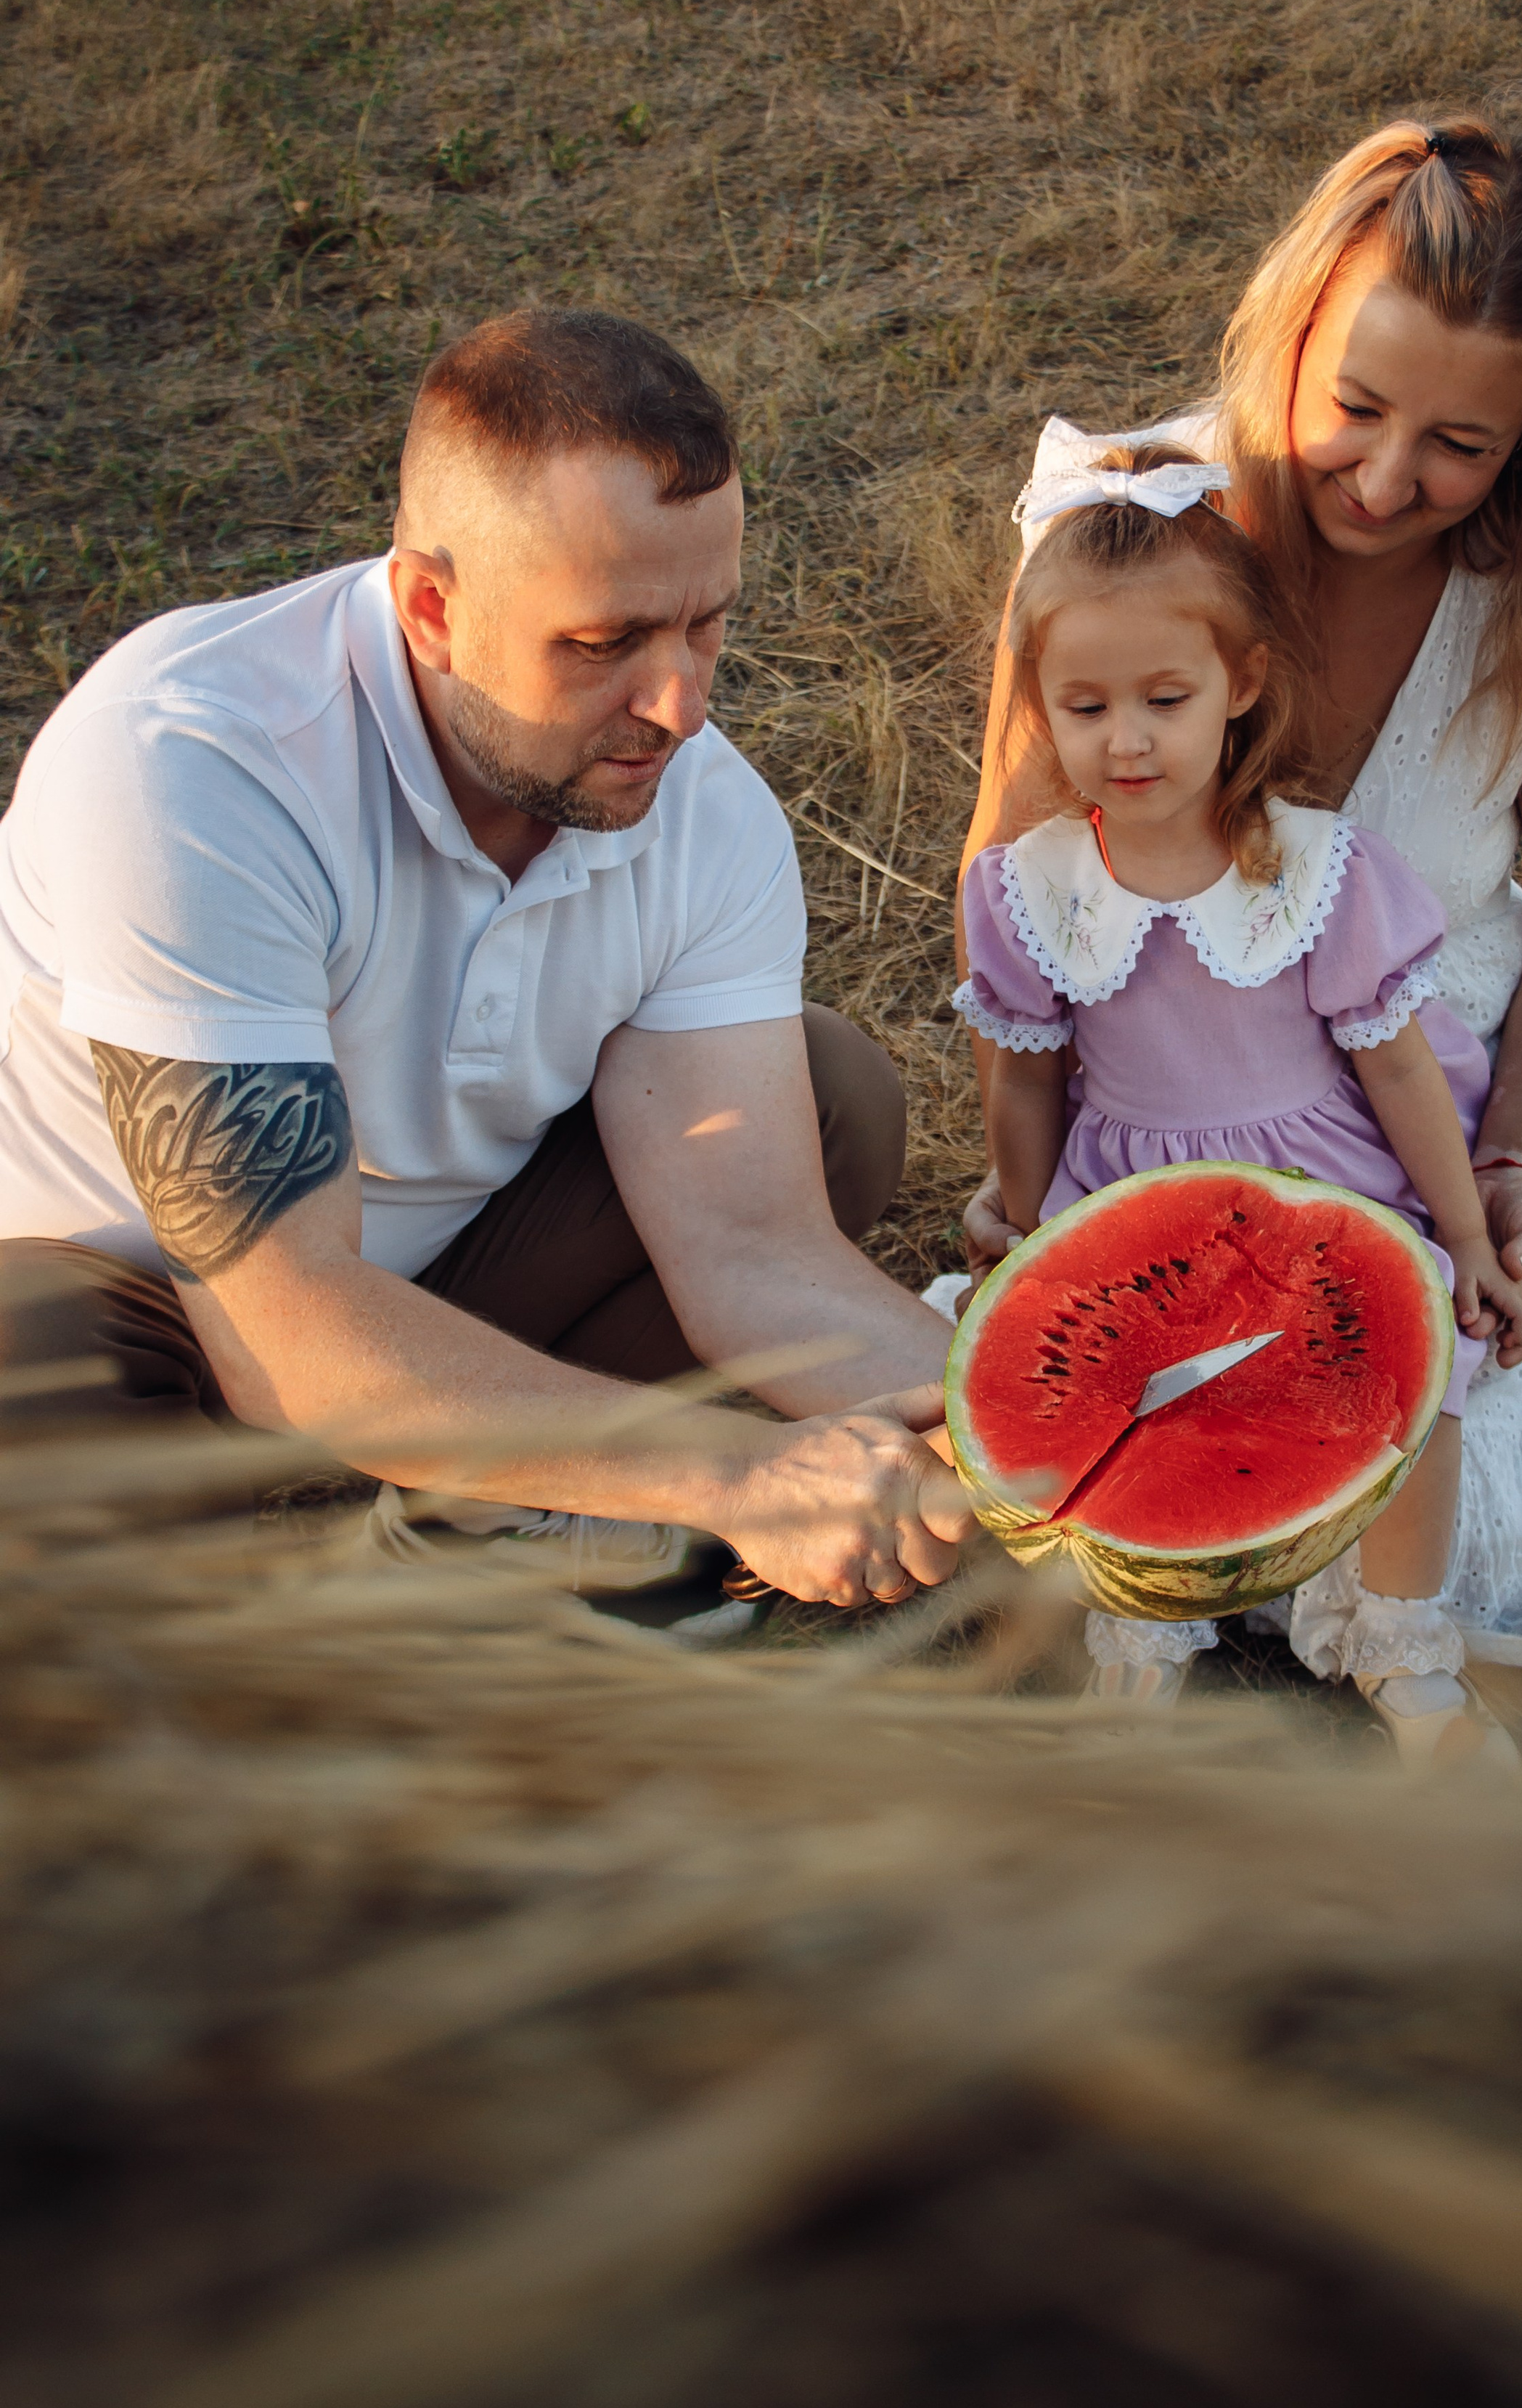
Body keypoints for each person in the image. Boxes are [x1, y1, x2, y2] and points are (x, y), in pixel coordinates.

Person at [957, 110, 1522, 1691]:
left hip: (1450, 1101)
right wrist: (1036, 1173)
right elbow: (1018, 889)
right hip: (1165, 1104)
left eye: (1460, 445)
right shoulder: (1123, 542)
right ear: (1286, 338)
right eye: (1353, 406)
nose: (1388, 478)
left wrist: (1516, 1167)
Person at [0, 309, 973, 1607]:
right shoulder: (190, 764)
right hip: (138, 1312)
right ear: (431, 608)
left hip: (441, 1271)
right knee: (32, 1372)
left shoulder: (705, 806)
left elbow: (755, 1252)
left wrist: (1065, 1446)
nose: (681, 705)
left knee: (832, 1095)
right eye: (605, 643)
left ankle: (483, 1515)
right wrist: (736, 1475)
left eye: (706, 624)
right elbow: (283, 1331)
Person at [957, 441, 1522, 1760]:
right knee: (1131, 1398)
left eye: (1165, 698)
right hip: (1131, 1191)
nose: (1127, 739)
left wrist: (1462, 1231)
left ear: (1243, 684)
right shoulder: (1028, 888)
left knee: (1413, 1392)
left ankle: (1406, 1651)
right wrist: (1035, 1233)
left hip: (1324, 1179)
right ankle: (1142, 1643)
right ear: (1041, 704)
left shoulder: (1316, 870)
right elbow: (1028, 1074)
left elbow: (1397, 1064)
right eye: (1086, 705)